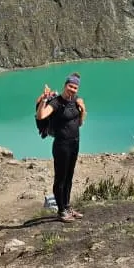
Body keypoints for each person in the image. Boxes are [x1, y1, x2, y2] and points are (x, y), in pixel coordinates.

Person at [36, 73, 86, 222]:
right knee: (61, 179)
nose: (72, 89)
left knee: (69, 177)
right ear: (65, 85)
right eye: (70, 86)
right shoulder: (56, 102)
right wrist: (44, 100)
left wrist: (83, 109)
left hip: (75, 143)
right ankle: (61, 210)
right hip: (61, 145)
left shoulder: (76, 100)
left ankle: (67, 205)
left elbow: (80, 123)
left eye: (75, 87)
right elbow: (41, 116)